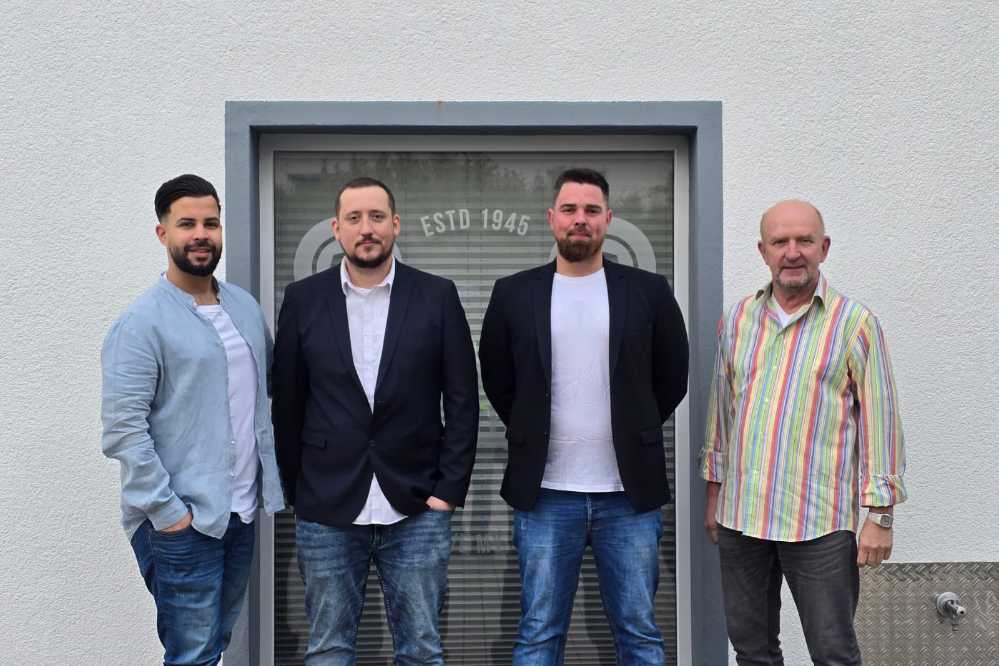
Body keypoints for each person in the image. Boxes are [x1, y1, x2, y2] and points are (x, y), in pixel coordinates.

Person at [478, 168, 688, 664]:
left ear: (608, 219)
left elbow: (672, 377)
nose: (580, 219)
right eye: (570, 209)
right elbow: (498, 378)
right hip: (545, 493)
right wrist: (532, 429)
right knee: (538, 632)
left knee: (639, 632)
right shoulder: (513, 293)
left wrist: (633, 428)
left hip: (628, 495)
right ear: (551, 217)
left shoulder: (648, 291)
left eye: (592, 210)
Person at [272, 176, 479, 665]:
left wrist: (446, 494)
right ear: (336, 229)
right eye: (354, 218)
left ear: (396, 225)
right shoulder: (303, 299)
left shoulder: (436, 296)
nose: (367, 228)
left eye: (377, 217)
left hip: (417, 507)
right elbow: (288, 405)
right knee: (328, 649)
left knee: (422, 650)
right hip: (326, 509)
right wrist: (300, 492)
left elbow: (463, 401)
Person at [701, 199, 908, 665]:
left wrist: (880, 515)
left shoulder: (855, 324)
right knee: (752, 651)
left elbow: (881, 422)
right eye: (780, 242)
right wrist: (714, 492)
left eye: (804, 241)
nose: (792, 252)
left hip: (818, 525)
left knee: (833, 653)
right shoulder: (737, 321)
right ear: (763, 251)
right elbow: (721, 413)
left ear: (824, 248)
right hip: (742, 517)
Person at [101, 174, 286, 666]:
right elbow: (123, 431)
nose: (201, 234)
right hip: (183, 523)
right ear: (162, 233)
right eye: (187, 224)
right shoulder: (141, 323)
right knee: (192, 655)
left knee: (212, 646)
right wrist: (170, 515)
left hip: (240, 514)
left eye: (210, 223)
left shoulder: (243, 308)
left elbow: (268, 391)